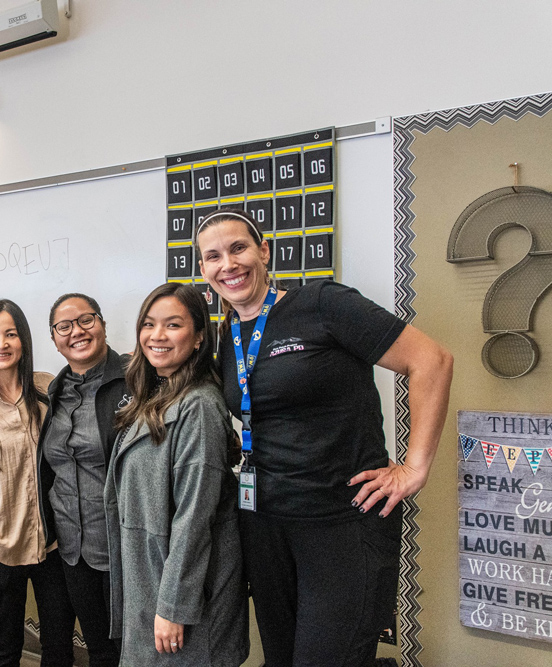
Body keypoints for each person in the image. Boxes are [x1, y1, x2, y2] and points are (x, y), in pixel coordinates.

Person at [195, 209, 453, 667]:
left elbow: (430, 361)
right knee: (280, 658)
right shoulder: (223, 336)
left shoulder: (322, 304)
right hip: (266, 522)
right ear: (204, 271)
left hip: (341, 521)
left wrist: (414, 468)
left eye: (238, 248)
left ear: (264, 251)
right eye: (213, 256)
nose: (228, 264)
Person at [104, 283, 249, 666]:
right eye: (149, 324)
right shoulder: (156, 395)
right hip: (149, 578)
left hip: (184, 595)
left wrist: (173, 607)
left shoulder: (199, 406)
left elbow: (194, 517)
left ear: (199, 336)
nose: (157, 336)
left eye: (173, 325)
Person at [0, 300, 76, 667]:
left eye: (10, 334)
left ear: (23, 340)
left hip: (53, 539)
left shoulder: (47, 390)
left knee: (58, 639)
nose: (1, 343)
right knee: (5, 642)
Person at [35, 293, 128, 667]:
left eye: (86, 320)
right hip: (73, 548)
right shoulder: (54, 391)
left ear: (103, 323)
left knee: (128, 650)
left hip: (121, 545)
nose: (77, 332)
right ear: (54, 338)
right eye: (64, 326)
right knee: (97, 648)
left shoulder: (134, 379)